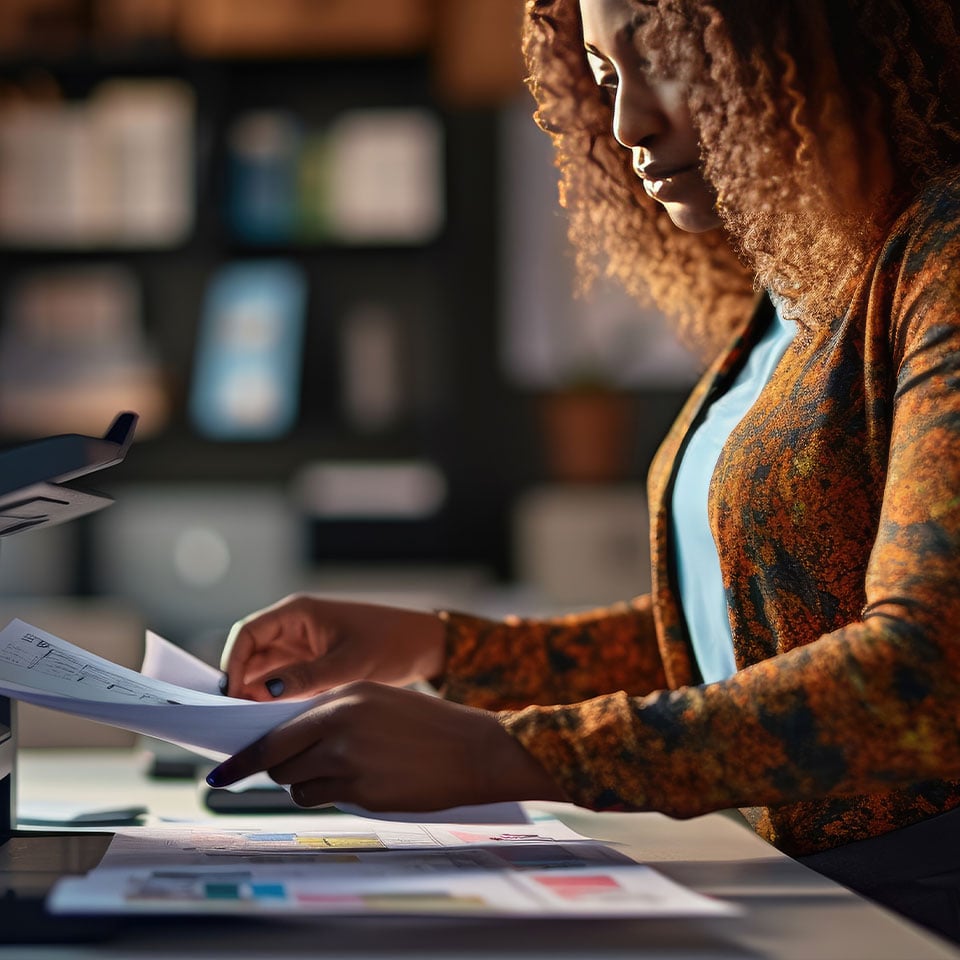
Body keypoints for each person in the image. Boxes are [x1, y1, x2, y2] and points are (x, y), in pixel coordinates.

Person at [208, 0, 960, 942]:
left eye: (667, 61)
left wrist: (515, 756)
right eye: (605, 81)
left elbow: (925, 676)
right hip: (803, 886)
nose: (627, 124)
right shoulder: (791, 291)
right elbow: (742, 629)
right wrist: (440, 649)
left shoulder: (941, 258)